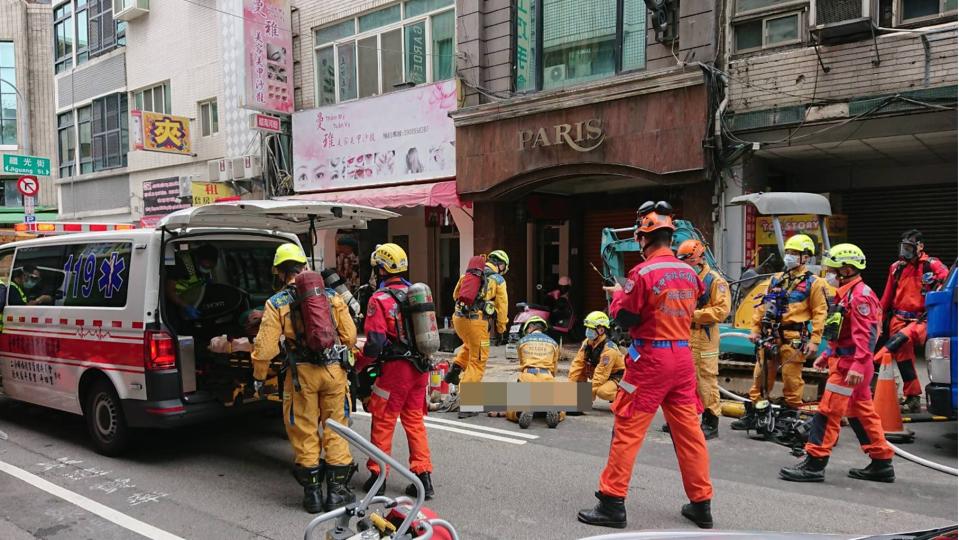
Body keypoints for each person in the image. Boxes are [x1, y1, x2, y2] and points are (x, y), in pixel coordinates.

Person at [577, 201, 713, 530]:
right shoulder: (690, 272)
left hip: (650, 360)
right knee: (690, 434)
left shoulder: (642, 273)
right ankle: (701, 505)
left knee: (627, 428)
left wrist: (618, 296)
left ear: (644, 239)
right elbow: (700, 298)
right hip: (682, 360)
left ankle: (612, 503)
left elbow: (627, 317)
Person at [251, 243, 357, 514]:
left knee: (304, 430)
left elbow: (265, 349)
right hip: (334, 372)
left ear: (279, 272)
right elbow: (350, 336)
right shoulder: (331, 296)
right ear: (303, 266)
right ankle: (336, 494)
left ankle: (313, 497)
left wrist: (260, 377)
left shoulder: (276, 303)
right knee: (336, 429)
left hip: (301, 376)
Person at [780, 244, 895, 483]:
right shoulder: (846, 294)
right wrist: (828, 352)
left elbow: (867, 335)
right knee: (860, 412)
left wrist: (856, 364)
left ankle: (814, 464)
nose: (828, 273)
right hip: (847, 361)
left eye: (832, 269)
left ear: (847, 269)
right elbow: (841, 330)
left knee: (827, 413)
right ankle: (882, 462)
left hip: (850, 365)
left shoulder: (860, 295)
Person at [356, 243, 435, 500]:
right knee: (414, 421)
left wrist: (359, 364)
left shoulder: (379, 299)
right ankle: (423, 477)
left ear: (380, 268)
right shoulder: (416, 295)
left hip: (395, 370)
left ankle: (378, 477)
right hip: (420, 368)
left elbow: (375, 343)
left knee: (384, 420)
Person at [732, 234, 828, 430]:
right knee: (760, 377)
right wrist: (755, 329)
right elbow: (762, 306)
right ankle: (754, 414)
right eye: (789, 252)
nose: (790, 256)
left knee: (792, 380)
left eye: (795, 253)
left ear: (806, 257)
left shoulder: (814, 283)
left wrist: (815, 340)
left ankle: (789, 418)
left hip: (793, 338)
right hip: (770, 336)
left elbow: (820, 312)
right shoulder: (776, 279)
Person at [880, 229, 948, 413]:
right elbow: (887, 296)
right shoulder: (896, 267)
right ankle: (912, 397)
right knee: (902, 356)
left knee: (903, 340)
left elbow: (947, 283)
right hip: (898, 318)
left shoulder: (932, 265)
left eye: (909, 247)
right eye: (903, 246)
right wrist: (878, 318)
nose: (905, 251)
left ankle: (874, 362)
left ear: (920, 246)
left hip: (921, 320)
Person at [669, 239, 731, 440]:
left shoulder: (714, 281)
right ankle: (682, 419)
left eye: (687, 260)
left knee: (705, 379)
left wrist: (692, 314)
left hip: (704, 336)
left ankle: (711, 422)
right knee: (681, 378)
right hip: (684, 334)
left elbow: (721, 311)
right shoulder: (684, 279)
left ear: (697, 259)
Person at [445, 250, 509, 418]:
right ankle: (467, 403)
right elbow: (502, 308)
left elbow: (455, 295)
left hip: (458, 319)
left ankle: (456, 367)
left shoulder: (470, 273)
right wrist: (501, 329)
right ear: (501, 265)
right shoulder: (498, 280)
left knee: (470, 345)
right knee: (479, 360)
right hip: (477, 323)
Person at [505, 316, 564, 429]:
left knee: (511, 407)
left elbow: (522, 364)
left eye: (527, 329)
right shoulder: (554, 343)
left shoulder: (521, 342)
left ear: (531, 327)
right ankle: (555, 411)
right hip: (547, 378)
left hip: (528, 377)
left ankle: (520, 412)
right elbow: (554, 368)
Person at [568, 311, 625, 404]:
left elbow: (601, 375)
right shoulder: (587, 342)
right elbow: (577, 363)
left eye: (591, 329)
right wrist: (570, 387)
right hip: (605, 373)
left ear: (601, 330)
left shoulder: (609, 350)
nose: (588, 331)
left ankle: (629, 399)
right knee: (579, 373)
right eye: (587, 328)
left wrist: (587, 396)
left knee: (602, 392)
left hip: (618, 377)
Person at [165, 244, 219, 321]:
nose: (207, 268)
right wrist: (186, 306)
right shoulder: (182, 264)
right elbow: (169, 290)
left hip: (193, 303)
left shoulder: (206, 268)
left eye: (210, 266)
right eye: (205, 265)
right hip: (174, 304)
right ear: (197, 258)